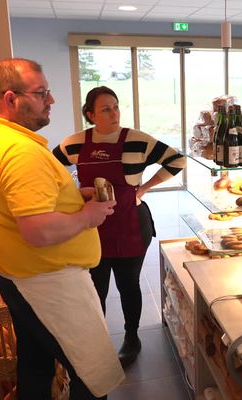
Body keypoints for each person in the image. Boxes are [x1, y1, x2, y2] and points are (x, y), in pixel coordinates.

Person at [0, 58, 125, 400]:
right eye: (41, 93)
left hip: (17, 275)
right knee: (89, 371)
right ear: (11, 99)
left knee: (36, 364)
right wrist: (89, 216)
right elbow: (38, 231)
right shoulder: (21, 152)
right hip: (48, 283)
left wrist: (72, 198)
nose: (51, 100)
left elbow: (21, 206)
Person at [52, 86, 186, 368]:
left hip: (132, 225)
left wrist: (145, 188)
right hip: (92, 227)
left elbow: (177, 160)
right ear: (90, 114)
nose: (114, 113)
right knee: (95, 288)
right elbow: (49, 170)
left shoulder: (137, 140)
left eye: (115, 106)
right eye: (105, 109)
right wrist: (74, 194)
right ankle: (98, 340)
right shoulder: (74, 143)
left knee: (129, 285)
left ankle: (131, 337)